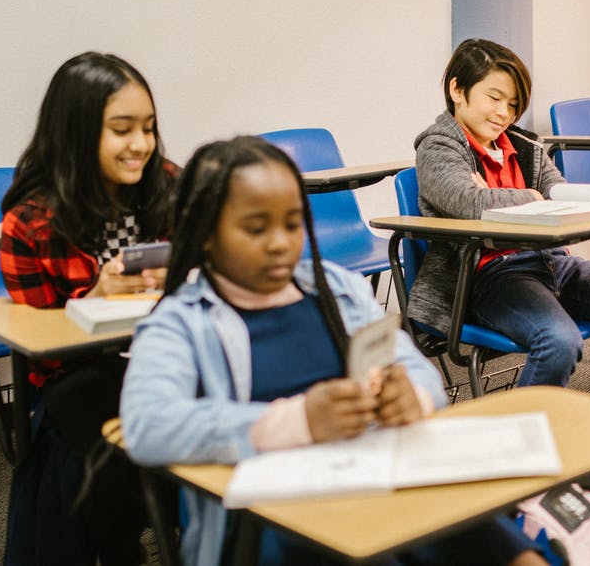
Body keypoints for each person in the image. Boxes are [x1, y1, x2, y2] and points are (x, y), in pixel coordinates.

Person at [119, 136, 546, 566]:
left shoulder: (336, 288)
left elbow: (416, 372)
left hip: (373, 477)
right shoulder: (180, 320)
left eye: (291, 224)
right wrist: (298, 420)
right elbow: (147, 426)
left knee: (490, 533)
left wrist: (409, 396)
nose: (279, 243)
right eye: (255, 229)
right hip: (270, 520)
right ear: (204, 234)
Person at [410, 38, 590, 491]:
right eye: (494, 98)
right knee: (557, 341)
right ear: (457, 90)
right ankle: (513, 463)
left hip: (552, 263)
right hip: (488, 276)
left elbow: (558, 192)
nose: (503, 113)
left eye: (513, 104)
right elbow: (468, 201)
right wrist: (533, 198)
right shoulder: (438, 148)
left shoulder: (522, 146)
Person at [0, 51, 179, 565]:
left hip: (168, 356)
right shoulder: (31, 218)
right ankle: (128, 545)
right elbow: (43, 349)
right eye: (122, 130)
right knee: (81, 436)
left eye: (148, 127)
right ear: (76, 132)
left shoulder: (168, 184)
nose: (141, 144)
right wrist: (93, 301)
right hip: (80, 372)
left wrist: (185, 278)